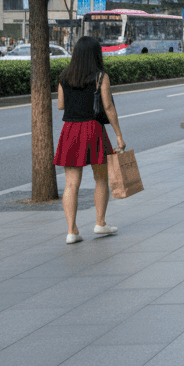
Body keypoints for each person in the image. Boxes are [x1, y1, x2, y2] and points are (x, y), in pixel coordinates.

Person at [54, 36, 128, 244]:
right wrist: (119, 136)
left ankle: (71, 231)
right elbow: (108, 107)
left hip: (70, 130)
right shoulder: (100, 77)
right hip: (93, 129)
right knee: (101, 178)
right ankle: (100, 223)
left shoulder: (64, 76)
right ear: (96, 54)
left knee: (71, 184)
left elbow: (61, 105)